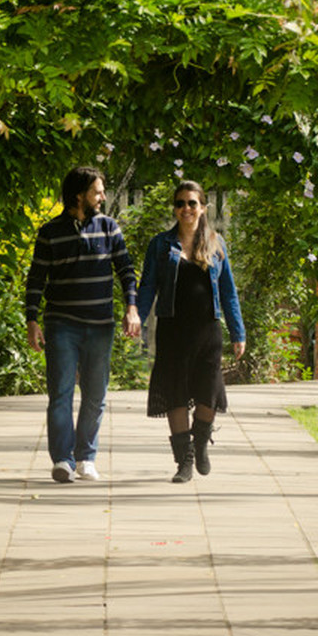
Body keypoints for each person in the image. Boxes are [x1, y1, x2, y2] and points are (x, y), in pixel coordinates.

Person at [26, 166, 141, 483]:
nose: (103, 197)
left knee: (95, 395)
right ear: (80, 195)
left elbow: (126, 271)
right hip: (61, 324)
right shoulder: (50, 232)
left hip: (100, 324)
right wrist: (31, 320)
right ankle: (62, 460)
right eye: (98, 191)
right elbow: (36, 278)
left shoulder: (109, 228)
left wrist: (132, 308)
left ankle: (85, 457)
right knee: (60, 393)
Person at [137, 180, 246, 483]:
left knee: (208, 394)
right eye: (180, 203)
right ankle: (184, 460)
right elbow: (147, 285)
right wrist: (136, 314)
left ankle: (200, 441)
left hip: (207, 331)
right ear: (175, 208)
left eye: (192, 203)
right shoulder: (161, 244)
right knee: (175, 393)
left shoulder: (215, 242)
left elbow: (229, 292)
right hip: (172, 330)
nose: (186, 208)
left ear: (202, 208)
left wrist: (239, 332)